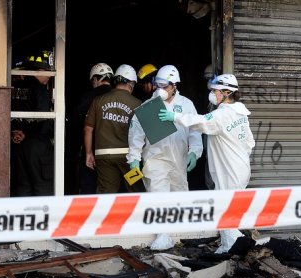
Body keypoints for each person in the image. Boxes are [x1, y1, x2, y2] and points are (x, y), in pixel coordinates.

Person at [158, 73, 255, 253]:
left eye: (215, 91)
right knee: (230, 208)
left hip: (230, 170)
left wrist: (175, 116)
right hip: (240, 167)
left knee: (227, 209)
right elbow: (250, 142)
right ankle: (228, 245)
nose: (212, 94)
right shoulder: (241, 112)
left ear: (226, 92)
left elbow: (200, 121)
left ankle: (236, 246)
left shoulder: (222, 115)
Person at [127, 65, 203, 250]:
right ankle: (162, 236)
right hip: (155, 159)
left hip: (179, 158)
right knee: (158, 197)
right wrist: (134, 159)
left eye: (165, 86)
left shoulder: (186, 105)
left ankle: (179, 236)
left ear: (175, 85)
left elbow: (195, 132)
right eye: (157, 85)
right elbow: (136, 136)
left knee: (180, 198)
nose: (160, 90)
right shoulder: (148, 107)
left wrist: (194, 152)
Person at [83, 64, 145, 194]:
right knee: (135, 191)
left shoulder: (98, 100)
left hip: (104, 156)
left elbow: (88, 129)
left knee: (106, 194)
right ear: (131, 83)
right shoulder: (138, 104)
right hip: (129, 158)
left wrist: (89, 153)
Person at [65, 63, 114, 195]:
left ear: (95, 79)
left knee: (89, 188)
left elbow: (76, 125)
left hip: (90, 151)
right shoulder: (119, 98)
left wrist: (74, 151)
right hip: (116, 152)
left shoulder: (87, 98)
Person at [10, 51, 55, 197]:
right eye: (48, 72)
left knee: (22, 187)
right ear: (38, 71)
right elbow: (42, 117)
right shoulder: (40, 90)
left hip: (17, 145)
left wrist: (15, 132)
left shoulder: (15, 89)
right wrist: (26, 133)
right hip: (37, 146)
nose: (49, 76)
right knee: (43, 188)